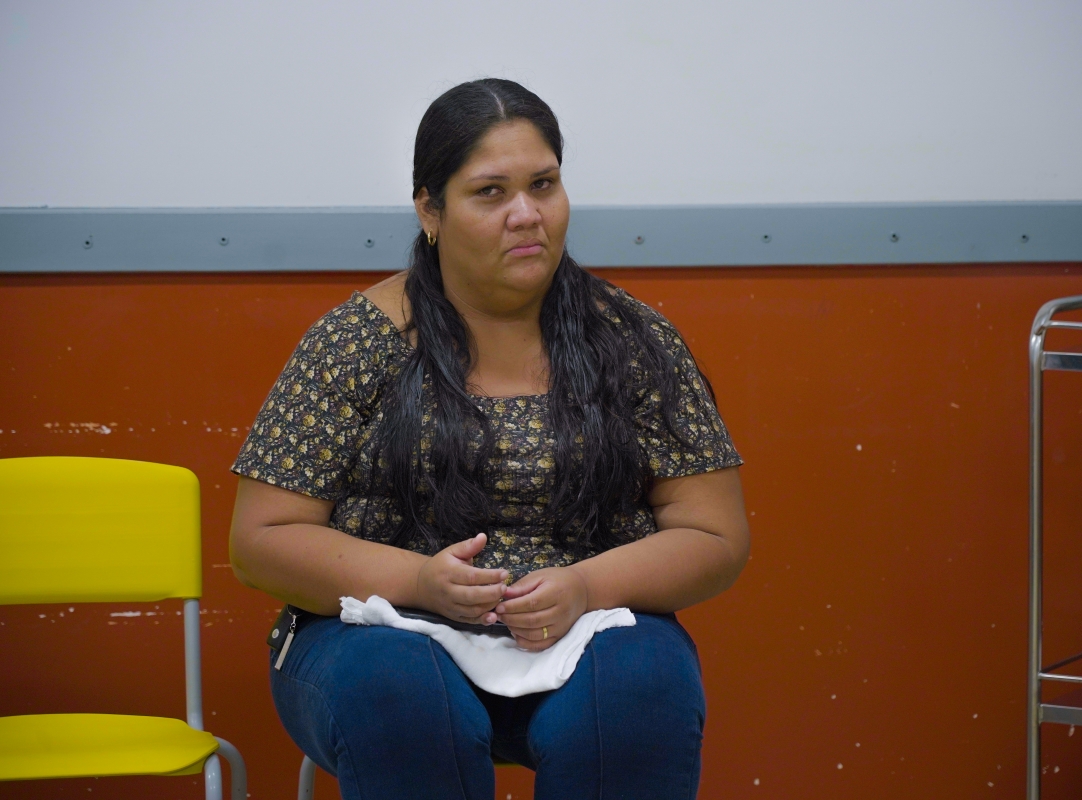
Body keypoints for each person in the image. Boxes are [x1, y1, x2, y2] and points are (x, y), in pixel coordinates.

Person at [228, 78, 750, 800]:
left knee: (643, 689)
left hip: (586, 627)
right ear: (429, 210)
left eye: (543, 184)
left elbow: (714, 534)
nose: (526, 214)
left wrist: (586, 586)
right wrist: (419, 583)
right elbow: (260, 539)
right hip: (382, 633)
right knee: (399, 694)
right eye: (490, 193)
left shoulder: (632, 340)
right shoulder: (355, 342)